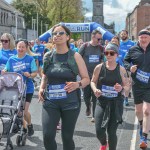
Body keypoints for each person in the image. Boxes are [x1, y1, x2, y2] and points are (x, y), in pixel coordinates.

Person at [38, 24, 90, 150]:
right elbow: (45, 75)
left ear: (67, 37)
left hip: (70, 102)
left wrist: (77, 84)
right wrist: (41, 87)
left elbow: (87, 79)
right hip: (51, 101)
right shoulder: (48, 56)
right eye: (55, 33)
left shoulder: (75, 56)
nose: (57, 35)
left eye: (61, 33)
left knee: (67, 137)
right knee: (47, 135)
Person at [91, 42, 129, 150]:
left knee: (111, 132)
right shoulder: (99, 67)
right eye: (106, 53)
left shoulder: (121, 70)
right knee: (99, 130)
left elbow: (127, 86)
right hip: (101, 102)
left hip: (116, 104)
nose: (108, 55)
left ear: (117, 55)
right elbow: (92, 81)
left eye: (111, 53)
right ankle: (103, 143)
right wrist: (95, 89)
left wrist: (121, 88)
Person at [3, 39, 38, 136]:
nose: (21, 49)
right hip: (16, 89)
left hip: (28, 88)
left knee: (25, 111)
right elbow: (6, 69)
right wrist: (4, 71)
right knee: (18, 112)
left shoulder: (30, 59)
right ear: (16, 47)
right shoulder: (11, 59)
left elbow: (35, 73)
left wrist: (30, 75)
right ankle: (24, 127)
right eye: (19, 47)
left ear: (26, 48)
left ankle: (29, 125)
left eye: (23, 47)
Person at [124, 29, 150, 149]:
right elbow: (125, 61)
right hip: (137, 84)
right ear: (138, 38)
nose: (143, 39)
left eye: (146, 37)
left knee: (146, 111)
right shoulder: (133, 50)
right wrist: (130, 67)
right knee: (138, 111)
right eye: (141, 37)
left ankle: (144, 137)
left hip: (149, 85)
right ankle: (141, 124)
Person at [79, 29, 104, 122]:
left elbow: (102, 60)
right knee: (86, 96)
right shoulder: (85, 46)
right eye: (98, 39)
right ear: (93, 37)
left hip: (96, 76)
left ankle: (94, 115)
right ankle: (88, 106)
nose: (100, 41)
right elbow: (78, 58)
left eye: (101, 39)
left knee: (95, 95)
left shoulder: (101, 48)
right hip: (85, 75)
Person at [119, 30, 135, 106]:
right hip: (119, 66)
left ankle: (126, 98)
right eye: (121, 34)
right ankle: (121, 96)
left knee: (128, 83)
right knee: (120, 82)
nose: (123, 35)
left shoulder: (132, 44)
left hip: (128, 67)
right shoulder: (118, 44)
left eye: (124, 34)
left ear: (127, 35)